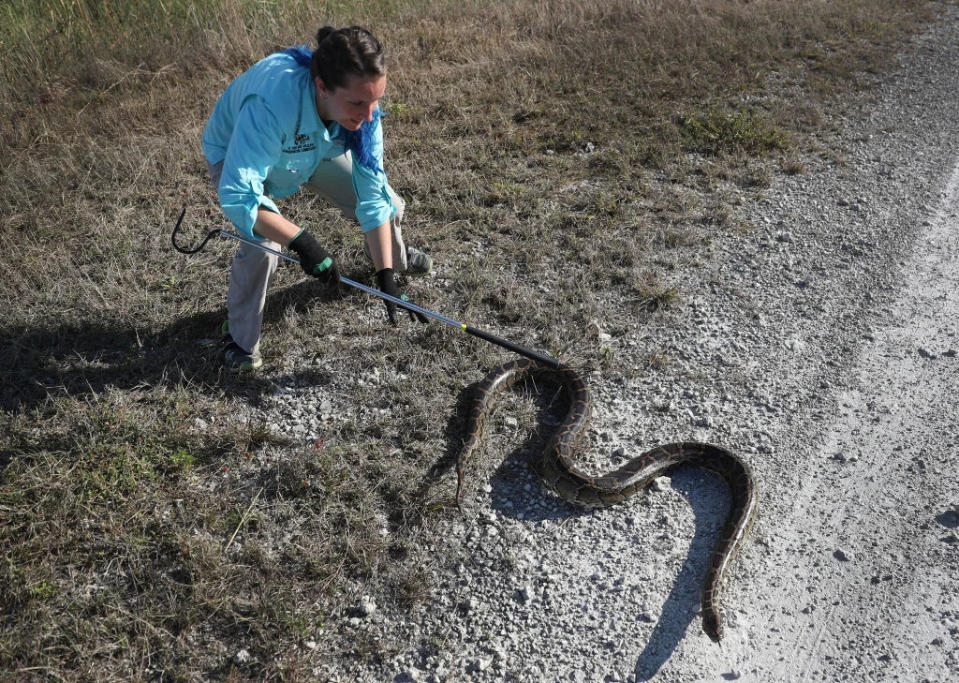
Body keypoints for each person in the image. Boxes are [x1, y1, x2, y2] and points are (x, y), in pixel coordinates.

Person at [202, 25, 431, 371]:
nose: (370, 115)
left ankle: (391, 261)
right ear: (323, 87)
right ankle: (239, 340)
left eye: (376, 100)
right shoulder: (271, 103)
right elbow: (238, 193)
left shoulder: (361, 113)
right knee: (265, 243)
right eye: (358, 102)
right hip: (244, 155)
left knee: (389, 206)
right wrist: (301, 242)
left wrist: (385, 277)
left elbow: (372, 194)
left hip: (314, 146)